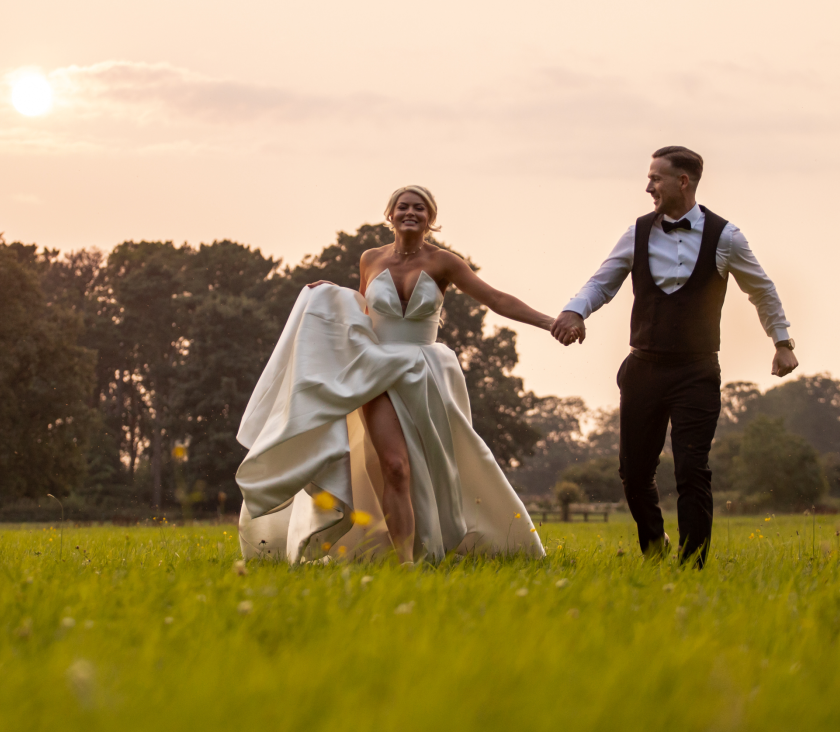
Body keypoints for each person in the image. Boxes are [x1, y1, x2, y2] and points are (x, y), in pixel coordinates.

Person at [236, 185, 550, 564]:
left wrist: (551, 323)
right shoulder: (369, 258)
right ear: (390, 214)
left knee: (435, 466)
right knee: (395, 467)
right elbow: (363, 314)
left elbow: (497, 299)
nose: (410, 213)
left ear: (430, 219)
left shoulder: (445, 263)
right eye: (403, 207)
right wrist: (329, 296)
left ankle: (452, 543)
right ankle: (405, 563)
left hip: (426, 373)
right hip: (377, 371)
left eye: (419, 208)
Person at [551, 146, 797, 567]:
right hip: (643, 367)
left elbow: (762, 289)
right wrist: (575, 309)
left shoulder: (726, 237)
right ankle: (654, 546)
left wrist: (782, 342)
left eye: (656, 178)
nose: (648, 186)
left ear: (682, 181)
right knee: (633, 474)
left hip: (696, 372)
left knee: (692, 471)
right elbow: (602, 282)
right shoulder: (637, 232)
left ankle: (692, 565)